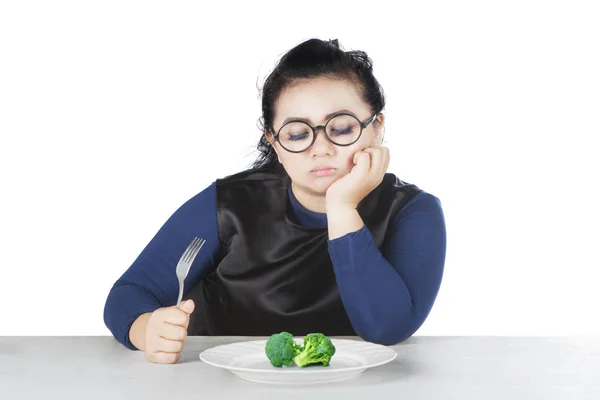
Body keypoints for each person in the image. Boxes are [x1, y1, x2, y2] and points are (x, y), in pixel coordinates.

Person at [103, 38, 447, 364]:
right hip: (221, 385)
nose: (320, 148)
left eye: (341, 128)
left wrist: (341, 208)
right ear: (274, 141)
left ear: (377, 128)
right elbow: (130, 292)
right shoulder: (228, 204)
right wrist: (145, 329)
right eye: (297, 133)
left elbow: (387, 329)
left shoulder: (413, 212)